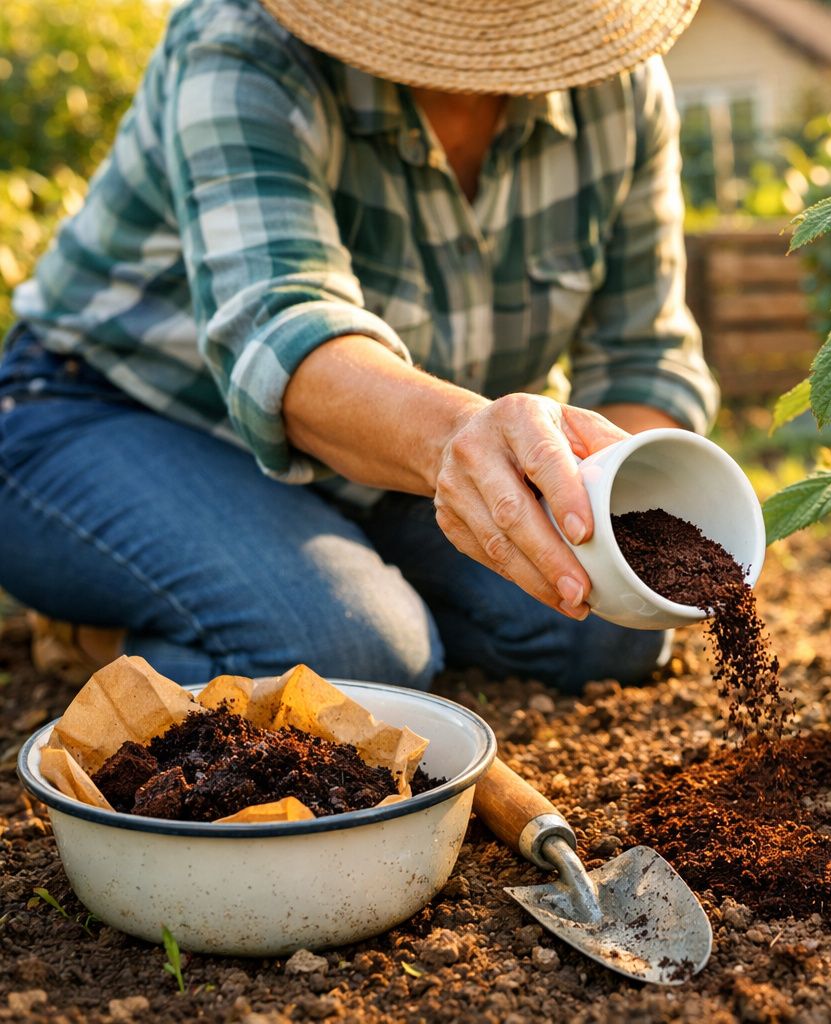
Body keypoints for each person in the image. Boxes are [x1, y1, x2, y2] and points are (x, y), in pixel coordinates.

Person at [0, 0, 717, 692]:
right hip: (108, 413)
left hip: (378, 463)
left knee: (612, 623)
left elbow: (642, 356)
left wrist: (613, 506)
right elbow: (285, 336)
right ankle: (108, 631)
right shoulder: (244, 41)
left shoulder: (614, 89)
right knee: (348, 650)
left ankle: (329, 585)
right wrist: (462, 435)